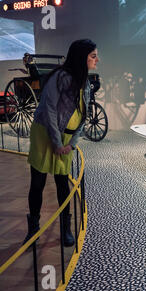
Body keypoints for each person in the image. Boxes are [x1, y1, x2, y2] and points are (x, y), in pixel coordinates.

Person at [23, 39, 99, 247]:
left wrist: (72, 143)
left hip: (65, 140)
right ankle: (33, 229)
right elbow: (49, 109)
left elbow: (84, 115)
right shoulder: (60, 77)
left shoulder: (84, 82)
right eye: (93, 56)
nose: (97, 60)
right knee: (37, 182)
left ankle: (65, 228)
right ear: (81, 57)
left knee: (62, 182)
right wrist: (57, 143)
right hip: (45, 134)